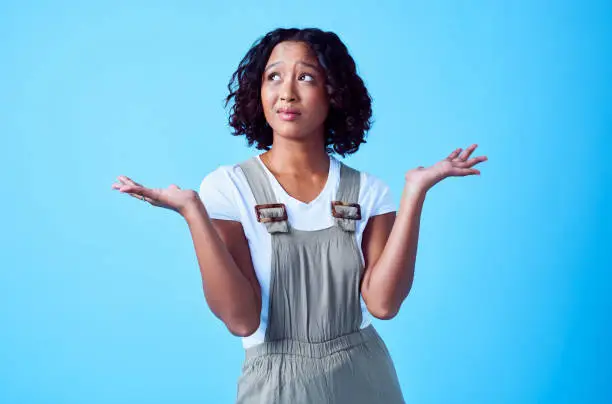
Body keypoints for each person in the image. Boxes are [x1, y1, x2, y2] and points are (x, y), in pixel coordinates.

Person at [112, 27, 487, 403]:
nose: (286, 93)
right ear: (257, 91)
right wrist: (193, 213)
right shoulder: (229, 187)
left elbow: (383, 304)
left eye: (306, 77)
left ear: (333, 93)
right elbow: (240, 318)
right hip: (275, 384)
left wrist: (415, 193)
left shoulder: (370, 192)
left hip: (365, 379)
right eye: (273, 77)